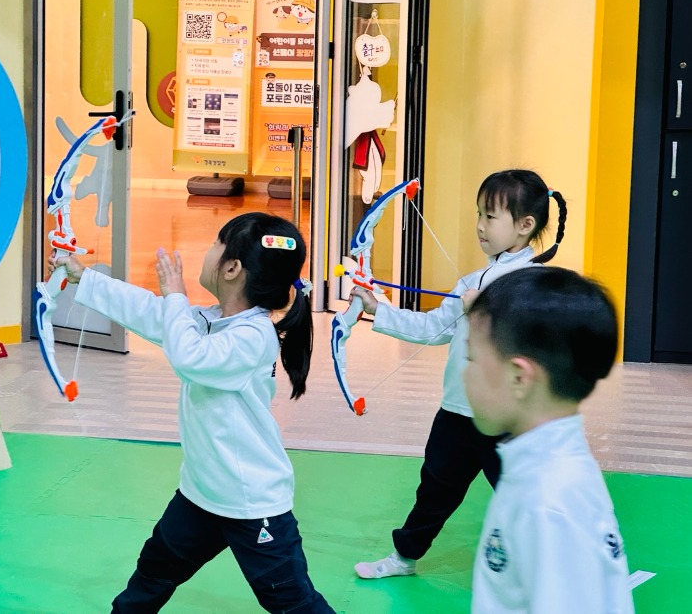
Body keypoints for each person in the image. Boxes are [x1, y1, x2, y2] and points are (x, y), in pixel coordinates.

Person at [50, 212, 335, 614]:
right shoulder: (211, 319)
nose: (210, 251)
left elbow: (190, 357)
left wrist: (174, 293)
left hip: (252, 504)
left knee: (293, 602)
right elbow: (150, 313)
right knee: (152, 573)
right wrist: (84, 277)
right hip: (201, 495)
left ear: (233, 268)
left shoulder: (254, 337)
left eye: (217, 244)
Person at [352, 169, 568, 579]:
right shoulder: (473, 281)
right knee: (434, 489)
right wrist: (376, 309)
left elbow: (533, 336)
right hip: (457, 409)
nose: (480, 226)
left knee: (523, 494)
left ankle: (557, 566)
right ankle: (404, 557)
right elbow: (435, 328)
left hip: (506, 416)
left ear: (525, 225)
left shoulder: (535, 282)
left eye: (490, 217)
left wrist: (486, 310)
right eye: (479, 215)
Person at [464, 266, 633, 612]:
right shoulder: (543, 475)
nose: (464, 375)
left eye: (472, 360)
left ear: (519, 378)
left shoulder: (549, 502)